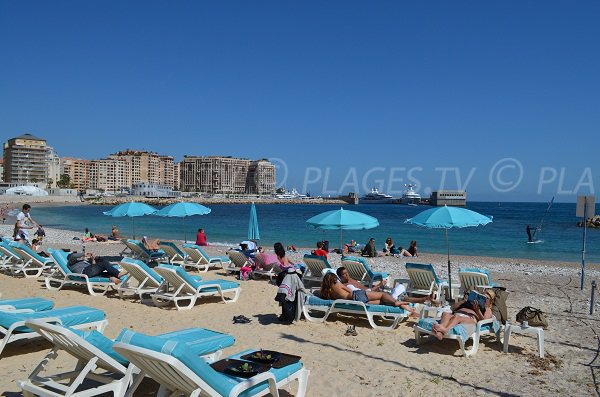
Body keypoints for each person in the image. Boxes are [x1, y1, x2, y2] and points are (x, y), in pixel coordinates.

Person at [320, 273, 415, 312]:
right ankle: (396, 302)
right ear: (333, 278)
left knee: (382, 301)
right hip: (356, 295)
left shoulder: (328, 292)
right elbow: (350, 291)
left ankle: (402, 306)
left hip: (353, 301)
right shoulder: (337, 283)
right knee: (383, 295)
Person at [336, 267, 429, 307]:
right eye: (344, 274)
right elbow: (363, 294)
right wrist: (380, 285)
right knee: (398, 292)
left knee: (400, 296)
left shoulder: (351, 280)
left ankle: (422, 299)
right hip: (367, 296)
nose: (347, 274)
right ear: (340, 277)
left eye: (347, 272)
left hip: (371, 294)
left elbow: (366, 290)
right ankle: (421, 299)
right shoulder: (347, 286)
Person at [432, 289, 496, 340]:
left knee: (457, 317)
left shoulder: (487, 309)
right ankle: (440, 331)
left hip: (470, 319)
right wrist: (464, 301)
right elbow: (452, 308)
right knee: (445, 313)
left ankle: (445, 330)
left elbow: (483, 321)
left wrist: (477, 310)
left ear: (490, 301)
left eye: (486, 298)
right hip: (457, 314)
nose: (485, 299)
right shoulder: (469, 303)